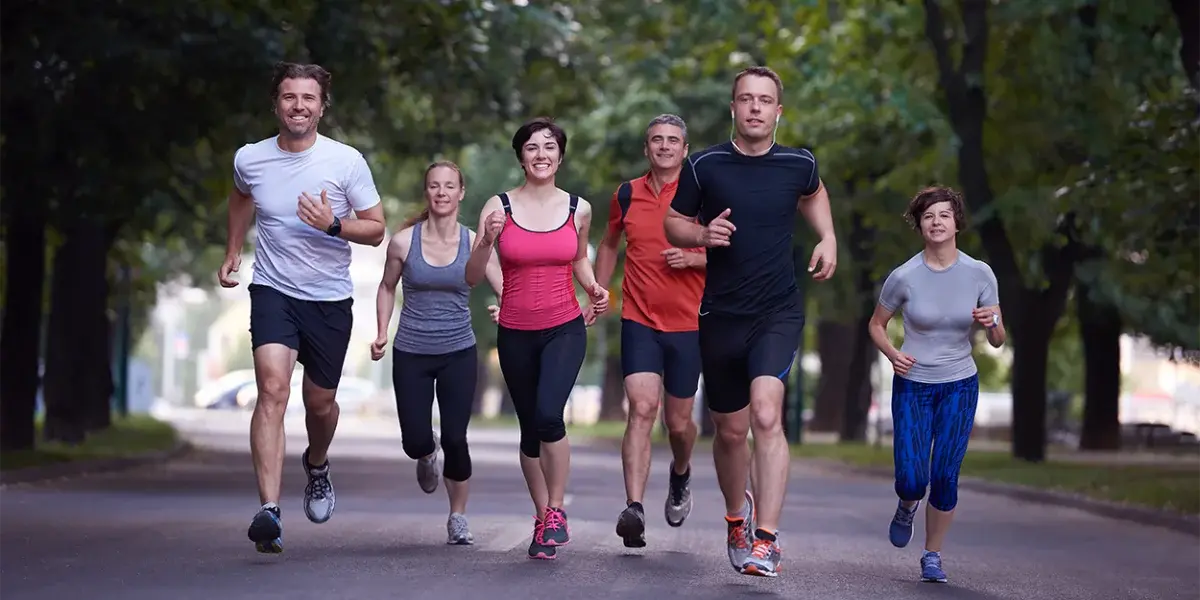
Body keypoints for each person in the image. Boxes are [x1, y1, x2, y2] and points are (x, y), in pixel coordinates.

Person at [663, 66, 837, 578]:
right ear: (734, 108)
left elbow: (815, 192)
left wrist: (827, 237)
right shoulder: (704, 165)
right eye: (746, 99)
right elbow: (674, 222)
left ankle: (766, 539)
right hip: (721, 314)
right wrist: (701, 236)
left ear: (778, 111)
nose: (756, 107)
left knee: (766, 415)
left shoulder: (799, 163)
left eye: (765, 100)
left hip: (777, 310)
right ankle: (737, 518)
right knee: (731, 431)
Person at [217, 61, 387, 554]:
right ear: (276, 103)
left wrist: (333, 224)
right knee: (271, 389)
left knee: (320, 404)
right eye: (289, 97)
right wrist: (233, 249)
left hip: (329, 298)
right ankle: (269, 510)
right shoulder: (251, 158)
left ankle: (317, 463)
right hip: (273, 289)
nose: (298, 106)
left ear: (321, 106)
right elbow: (240, 197)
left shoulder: (346, 162)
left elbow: (376, 229)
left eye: (308, 98)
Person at [465, 116, 609, 561]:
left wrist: (595, 289)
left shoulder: (578, 209)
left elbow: (579, 259)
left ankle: (558, 510)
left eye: (549, 147)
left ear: (560, 156)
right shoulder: (499, 207)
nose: (541, 154)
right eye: (532, 147)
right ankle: (542, 514)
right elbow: (472, 276)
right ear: (521, 156)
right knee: (530, 430)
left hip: (564, 326)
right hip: (514, 331)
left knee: (550, 415)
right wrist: (486, 242)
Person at [868, 185, 1005, 584]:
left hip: (959, 385)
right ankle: (906, 504)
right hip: (913, 383)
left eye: (944, 214)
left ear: (956, 222)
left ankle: (932, 554)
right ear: (920, 225)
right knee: (912, 478)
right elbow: (876, 325)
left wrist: (992, 323)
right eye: (928, 216)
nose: (937, 222)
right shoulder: (904, 276)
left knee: (945, 475)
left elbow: (998, 339)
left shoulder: (980, 273)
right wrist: (893, 355)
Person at [369, 161, 503, 546]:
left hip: (458, 351)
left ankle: (457, 516)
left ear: (461, 193)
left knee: (457, 438)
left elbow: (503, 288)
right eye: (434, 186)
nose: (441, 192)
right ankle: (426, 453)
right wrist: (381, 330)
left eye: (449, 186)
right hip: (411, 350)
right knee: (414, 440)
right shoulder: (403, 242)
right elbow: (385, 286)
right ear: (426, 192)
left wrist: (503, 309)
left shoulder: (474, 242)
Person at [593, 114, 705, 548]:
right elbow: (608, 243)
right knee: (640, 408)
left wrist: (694, 259)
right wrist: (599, 290)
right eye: (656, 140)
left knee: (678, 425)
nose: (664, 147)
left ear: (685, 149)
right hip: (639, 318)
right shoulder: (626, 194)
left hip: (690, 324)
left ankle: (680, 473)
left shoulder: (702, 195)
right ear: (646, 149)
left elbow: (734, 254)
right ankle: (634, 508)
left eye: (673, 140)